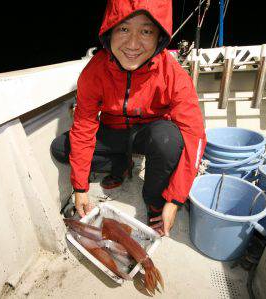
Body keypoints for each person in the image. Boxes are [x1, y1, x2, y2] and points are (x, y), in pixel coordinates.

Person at [51, 0, 206, 237]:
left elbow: (194, 137)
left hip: (149, 134)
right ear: (109, 32)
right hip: (113, 131)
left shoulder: (173, 73)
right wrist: (80, 188)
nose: (133, 44)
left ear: (159, 38)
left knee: (169, 139)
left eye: (146, 31)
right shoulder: (94, 71)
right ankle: (121, 164)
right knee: (61, 148)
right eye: (123, 29)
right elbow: (84, 127)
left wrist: (174, 200)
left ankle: (154, 200)